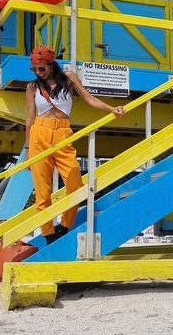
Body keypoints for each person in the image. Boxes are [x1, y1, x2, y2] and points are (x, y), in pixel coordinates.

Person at [25, 45, 125, 245]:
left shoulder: (69, 78)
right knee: (42, 193)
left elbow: (90, 99)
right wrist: (27, 150)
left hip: (63, 134)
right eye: (34, 69)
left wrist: (111, 109)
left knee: (76, 186)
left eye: (41, 68)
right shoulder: (32, 87)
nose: (38, 72)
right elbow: (29, 118)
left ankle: (65, 226)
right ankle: (48, 237)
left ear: (51, 65)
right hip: (39, 134)